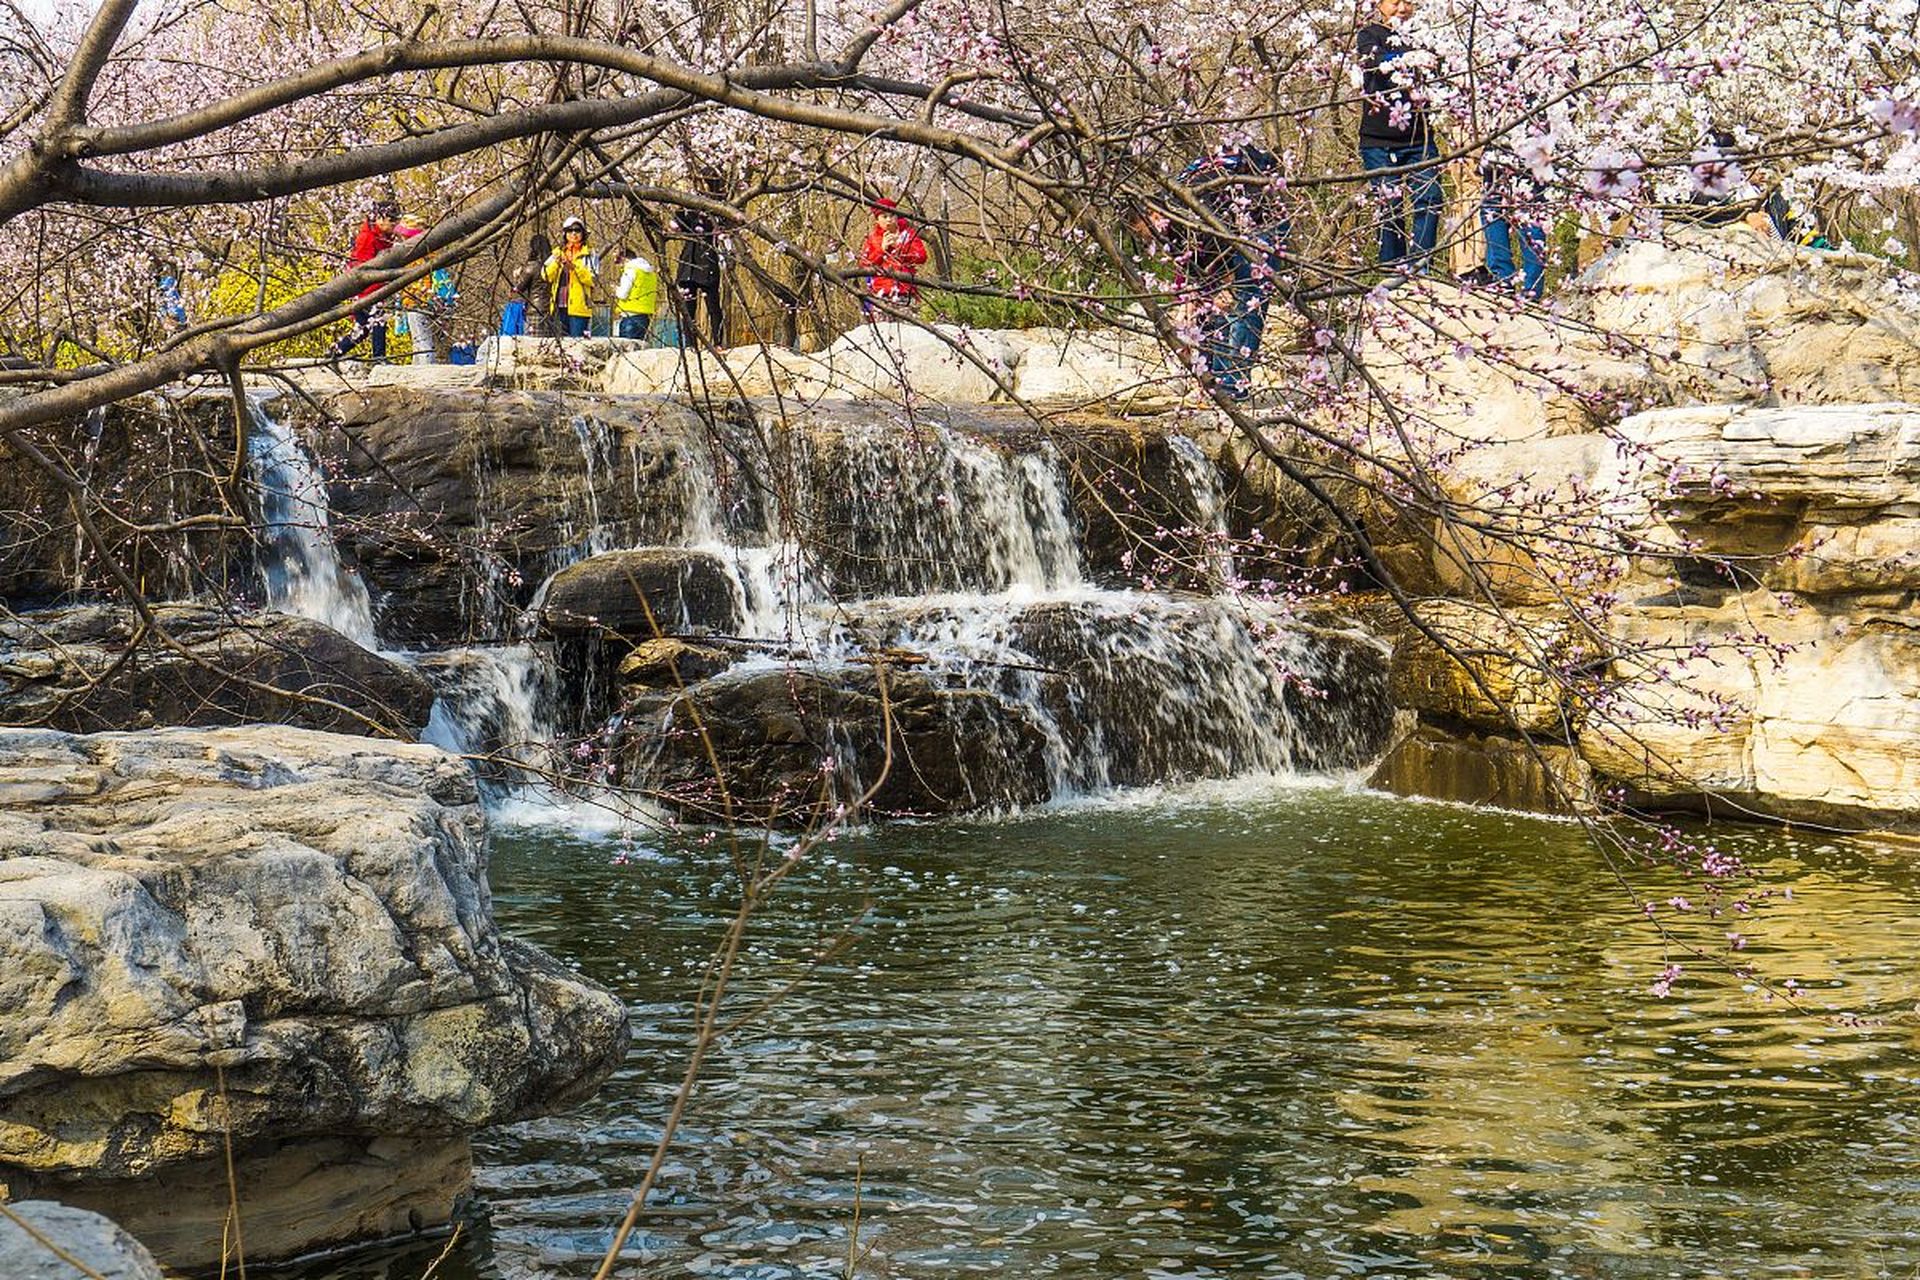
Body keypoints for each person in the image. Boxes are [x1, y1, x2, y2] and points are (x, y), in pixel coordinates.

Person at [1147, 147, 1290, 400]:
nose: (1146, 237)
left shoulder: (1186, 207)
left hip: (1259, 222)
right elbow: (1189, 262)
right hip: (1230, 232)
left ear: (1153, 214)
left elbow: (1218, 239)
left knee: (1246, 300)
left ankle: (1232, 386)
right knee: (1206, 306)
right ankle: (1209, 379)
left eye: (1142, 230)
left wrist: (1224, 284)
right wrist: (1187, 298)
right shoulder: (1171, 215)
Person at [1357, 0, 1443, 273]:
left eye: (1409, 2)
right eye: (1395, 2)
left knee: (1430, 197)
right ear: (1380, 5)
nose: (1403, 9)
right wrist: (1407, 59)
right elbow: (1372, 63)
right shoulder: (1369, 34)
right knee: (1389, 206)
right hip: (1379, 139)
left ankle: (1420, 267)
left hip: (1420, 137)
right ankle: (1392, 270)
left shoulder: (1424, 34)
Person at [329, 199, 401, 360]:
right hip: (367, 290)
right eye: (391, 221)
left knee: (363, 329)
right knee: (377, 322)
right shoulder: (367, 238)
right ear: (379, 218)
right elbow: (362, 268)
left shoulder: (385, 237)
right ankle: (379, 358)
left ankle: (335, 352)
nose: (394, 225)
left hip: (378, 287)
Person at [1479, 148, 1548, 297]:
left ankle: (1503, 280)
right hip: (1532, 154)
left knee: (1493, 208)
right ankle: (1531, 289)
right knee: (1531, 213)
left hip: (1499, 152)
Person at [855, 198, 929, 320]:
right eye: (884, 216)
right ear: (877, 220)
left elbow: (921, 257)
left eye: (892, 215)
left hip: (905, 291)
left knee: (907, 328)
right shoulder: (872, 238)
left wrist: (899, 247)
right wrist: (882, 249)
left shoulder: (908, 234)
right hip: (881, 293)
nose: (889, 220)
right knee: (883, 328)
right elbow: (865, 264)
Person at [672, 207, 723, 345]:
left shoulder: (714, 217)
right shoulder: (690, 217)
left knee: (713, 306)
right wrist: (679, 209)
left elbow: (722, 232)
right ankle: (690, 343)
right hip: (688, 266)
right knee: (688, 309)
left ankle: (718, 342)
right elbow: (677, 225)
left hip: (707, 265)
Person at [544, 216, 598, 337]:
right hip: (558, 306)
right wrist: (556, 263)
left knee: (577, 343)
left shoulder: (590, 254)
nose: (574, 233)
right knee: (560, 343)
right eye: (570, 230)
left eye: (577, 230)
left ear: (583, 233)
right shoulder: (558, 252)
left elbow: (593, 279)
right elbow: (546, 276)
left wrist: (574, 267)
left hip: (579, 308)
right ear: (565, 233)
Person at [611, 244, 660, 340]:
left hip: (630, 316)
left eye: (618, 262)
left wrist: (615, 289)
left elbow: (623, 294)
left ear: (624, 258)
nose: (620, 266)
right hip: (644, 317)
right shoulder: (650, 273)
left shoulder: (630, 270)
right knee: (639, 347)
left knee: (626, 347)